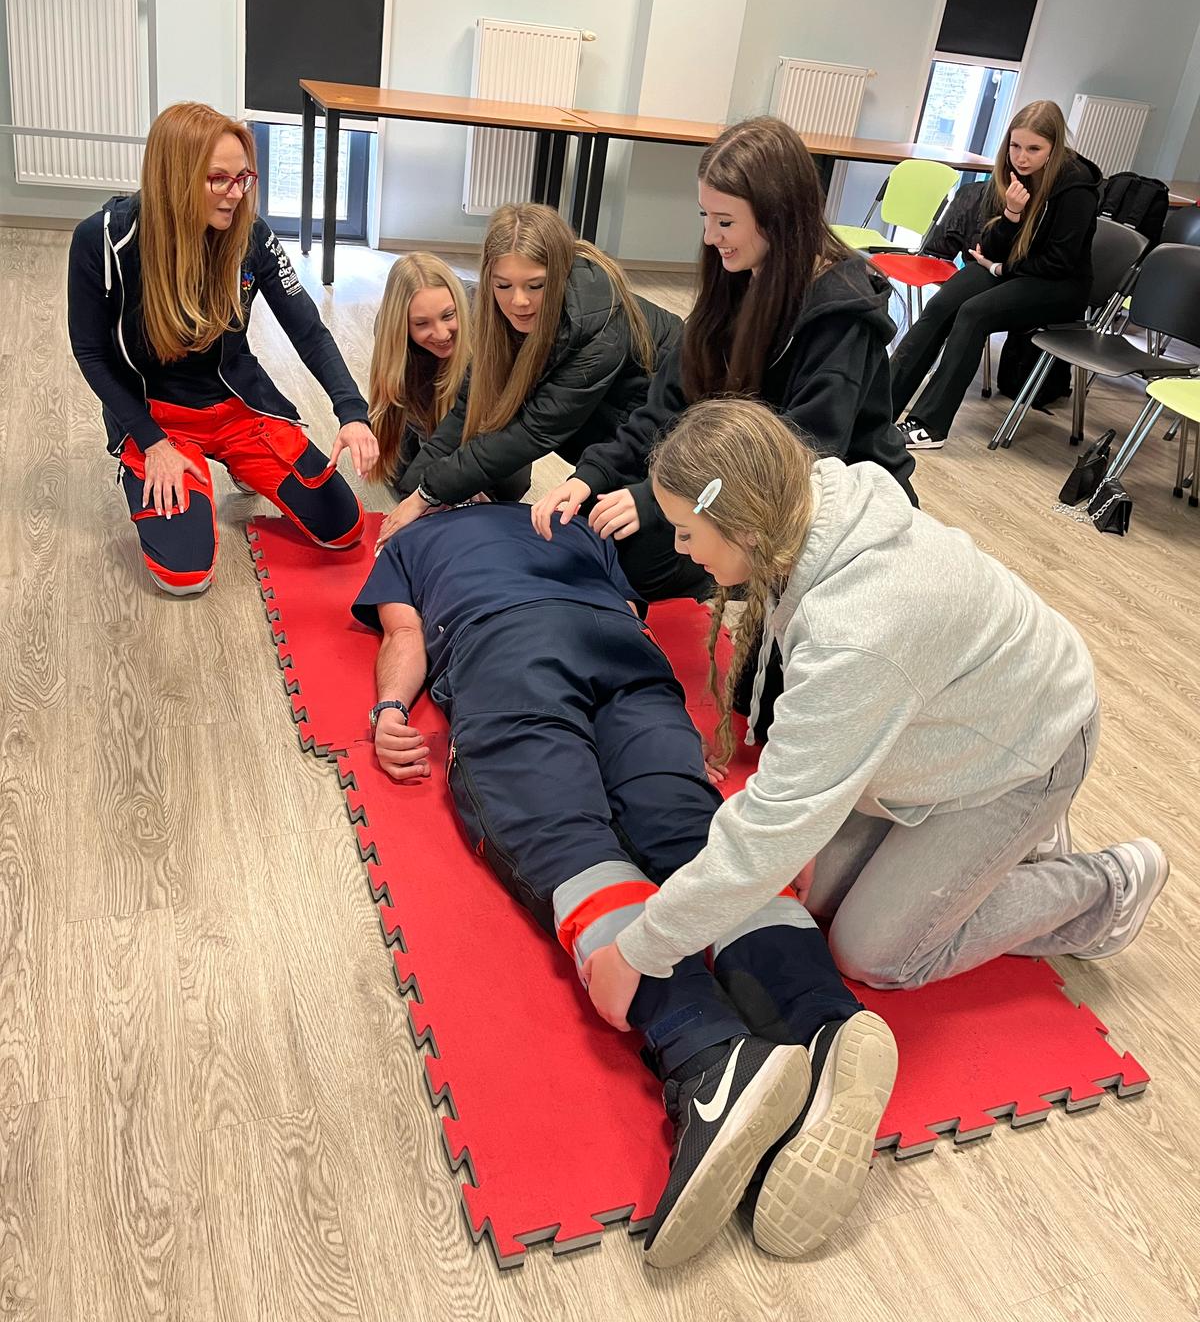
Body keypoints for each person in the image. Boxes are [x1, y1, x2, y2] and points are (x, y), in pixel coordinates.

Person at [352, 501, 897, 1268]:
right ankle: (820, 1020)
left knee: (569, 843)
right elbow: (636, 609)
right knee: (690, 833)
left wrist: (386, 709)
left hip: (507, 649)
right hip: (627, 653)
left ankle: (711, 1058)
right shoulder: (565, 517)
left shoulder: (409, 542)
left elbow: (405, 637)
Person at [581, 399, 1170, 1041]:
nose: (679, 548)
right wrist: (803, 818)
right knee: (812, 894)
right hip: (949, 725)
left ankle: (1105, 887)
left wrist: (639, 951)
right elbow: (805, 765)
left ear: (741, 526)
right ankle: (1003, 849)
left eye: (686, 531)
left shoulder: (857, 630)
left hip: (1029, 746)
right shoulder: (800, 504)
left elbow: (778, 815)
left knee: (875, 954)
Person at [531, 115, 916, 604]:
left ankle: (724, 584)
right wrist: (592, 477)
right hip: (741, 473)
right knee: (603, 518)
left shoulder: (840, 312)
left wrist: (658, 501)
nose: (711, 237)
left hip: (825, 499)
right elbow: (666, 405)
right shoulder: (737, 277)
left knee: (642, 547)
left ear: (778, 216)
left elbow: (803, 457)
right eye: (705, 217)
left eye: (726, 222)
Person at [67, 102, 376, 595]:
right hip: (158, 419)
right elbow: (90, 353)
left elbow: (309, 330)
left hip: (238, 407)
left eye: (243, 178)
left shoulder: (251, 234)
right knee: (184, 575)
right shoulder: (101, 239)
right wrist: (152, 443)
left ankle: (242, 463)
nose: (236, 194)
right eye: (219, 180)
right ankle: (164, 472)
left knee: (345, 528)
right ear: (174, 178)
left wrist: (352, 411)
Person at [377, 204, 681, 544]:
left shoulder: (599, 322)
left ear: (560, 274)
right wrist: (416, 491)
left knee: (604, 543)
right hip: (607, 434)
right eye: (503, 285)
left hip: (666, 436)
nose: (518, 301)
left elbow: (531, 432)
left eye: (535, 286)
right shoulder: (498, 316)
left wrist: (427, 494)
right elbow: (468, 407)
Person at [891, 100, 1101, 450]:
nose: (1021, 157)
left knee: (974, 313)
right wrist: (1012, 214)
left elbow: (1058, 262)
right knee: (943, 304)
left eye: (1033, 149)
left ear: (1054, 148)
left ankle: (929, 426)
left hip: (1060, 286)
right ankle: (879, 406)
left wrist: (1001, 268)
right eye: (1015, 146)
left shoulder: (1077, 189)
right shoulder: (1010, 174)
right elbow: (990, 246)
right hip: (1015, 269)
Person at [366, 252, 473, 495]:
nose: (442, 334)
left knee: (508, 487)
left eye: (448, 315)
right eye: (422, 323)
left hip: (480, 415)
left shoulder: (485, 316)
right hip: (426, 413)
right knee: (406, 484)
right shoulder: (393, 337)